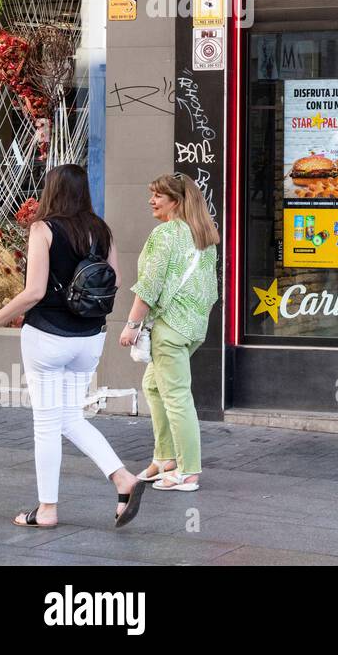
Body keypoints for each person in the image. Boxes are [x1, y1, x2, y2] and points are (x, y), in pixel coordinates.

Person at [0, 164, 145, 529]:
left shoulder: (43, 228)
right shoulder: (100, 230)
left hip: (47, 336)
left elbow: (33, 292)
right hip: (90, 338)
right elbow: (117, 280)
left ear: (52, 191)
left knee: (47, 423)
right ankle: (122, 478)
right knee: (70, 417)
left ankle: (47, 509)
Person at [119, 174, 219, 493]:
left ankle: (188, 471)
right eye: (152, 194)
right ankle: (165, 459)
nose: (152, 200)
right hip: (192, 328)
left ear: (175, 202)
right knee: (153, 384)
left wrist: (132, 326)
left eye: (159, 196)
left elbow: (150, 286)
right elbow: (210, 290)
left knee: (176, 397)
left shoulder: (165, 234)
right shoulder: (204, 235)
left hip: (169, 328)